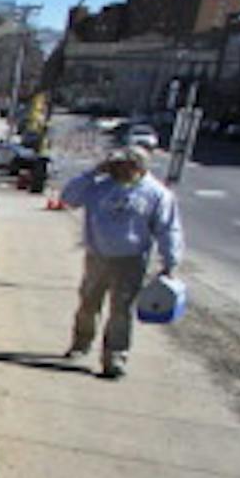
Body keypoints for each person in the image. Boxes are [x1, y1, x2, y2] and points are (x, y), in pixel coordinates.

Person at [56, 146, 184, 379]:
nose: (117, 170)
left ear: (137, 168)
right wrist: (93, 172)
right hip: (97, 256)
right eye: (114, 165)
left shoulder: (156, 194)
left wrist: (170, 262)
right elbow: (68, 197)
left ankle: (114, 357)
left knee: (121, 311)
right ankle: (80, 344)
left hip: (131, 260)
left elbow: (168, 229)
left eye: (123, 166)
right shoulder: (100, 187)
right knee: (88, 303)